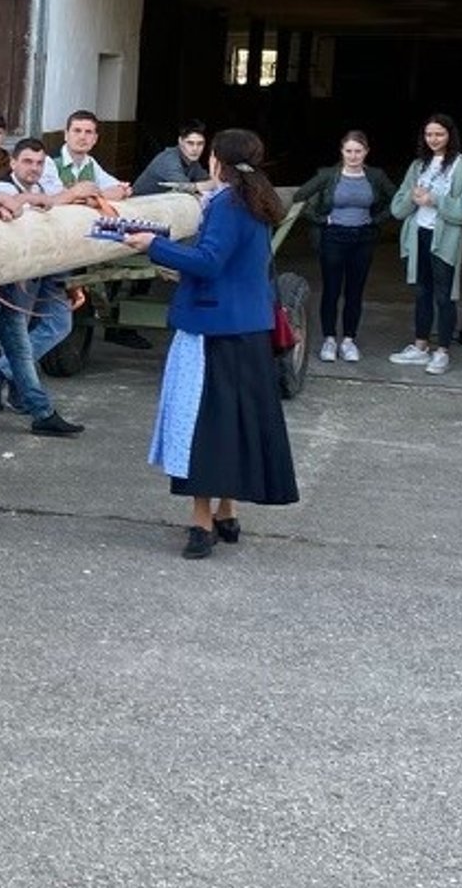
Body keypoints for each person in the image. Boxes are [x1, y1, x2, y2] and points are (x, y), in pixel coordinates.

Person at [124, 128, 299, 559]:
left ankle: (201, 523)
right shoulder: (256, 200)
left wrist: (155, 246)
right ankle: (227, 511)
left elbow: (209, 261)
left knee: (204, 428)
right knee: (239, 424)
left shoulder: (226, 203)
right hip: (250, 328)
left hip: (213, 330)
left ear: (217, 162)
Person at [0, 138, 87, 439]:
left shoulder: (39, 191)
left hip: (15, 287)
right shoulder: (0, 189)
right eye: (27, 162)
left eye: (40, 163)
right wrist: (39, 201)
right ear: (13, 163)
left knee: (20, 350)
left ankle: (41, 411)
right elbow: (7, 208)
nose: (34, 168)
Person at [387, 113, 462, 376]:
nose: (434, 139)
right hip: (419, 234)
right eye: (429, 134)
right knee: (421, 293)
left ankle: (442, 352)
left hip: (446, 239)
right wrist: (413, 197)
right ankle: (420, 346)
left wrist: (437, 200)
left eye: (439, 134)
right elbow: (397, 208)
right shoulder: (418, 165)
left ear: (450, 136)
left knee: (444, 295)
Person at [291, 131, 397, 364]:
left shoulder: (376, 176)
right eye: (348, 151)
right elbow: (300, 196)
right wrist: (321, 219)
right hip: (334, 237)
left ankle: (349, 340)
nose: (353, 155)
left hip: (363, 238)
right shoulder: (328, 175)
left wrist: (377, 220)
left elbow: (395, 199)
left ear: (366, 152)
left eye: (358, 151)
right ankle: (329, 339)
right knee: (331, 290)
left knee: (354, 292)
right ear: (342, 152)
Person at [49, 110, 144, 351]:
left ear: (95, 138)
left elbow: (121, 190)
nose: (82, 137)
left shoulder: (91, 165)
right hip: (51, 244)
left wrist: (90, 196)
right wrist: (90, 196)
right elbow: (55, 199)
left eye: (88, 132)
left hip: (78, 243)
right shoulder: (51, 163)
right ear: (66, 134)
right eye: (77, 131)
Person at [133, 120, 210, 195]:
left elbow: (206, 180)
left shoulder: (192, 160)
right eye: (190, 143)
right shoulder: (169, 159)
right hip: (138, 202)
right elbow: (188, 188)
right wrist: (214, 183)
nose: (195, 149)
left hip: (161, 201)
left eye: (200, 144)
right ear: (180, 141)